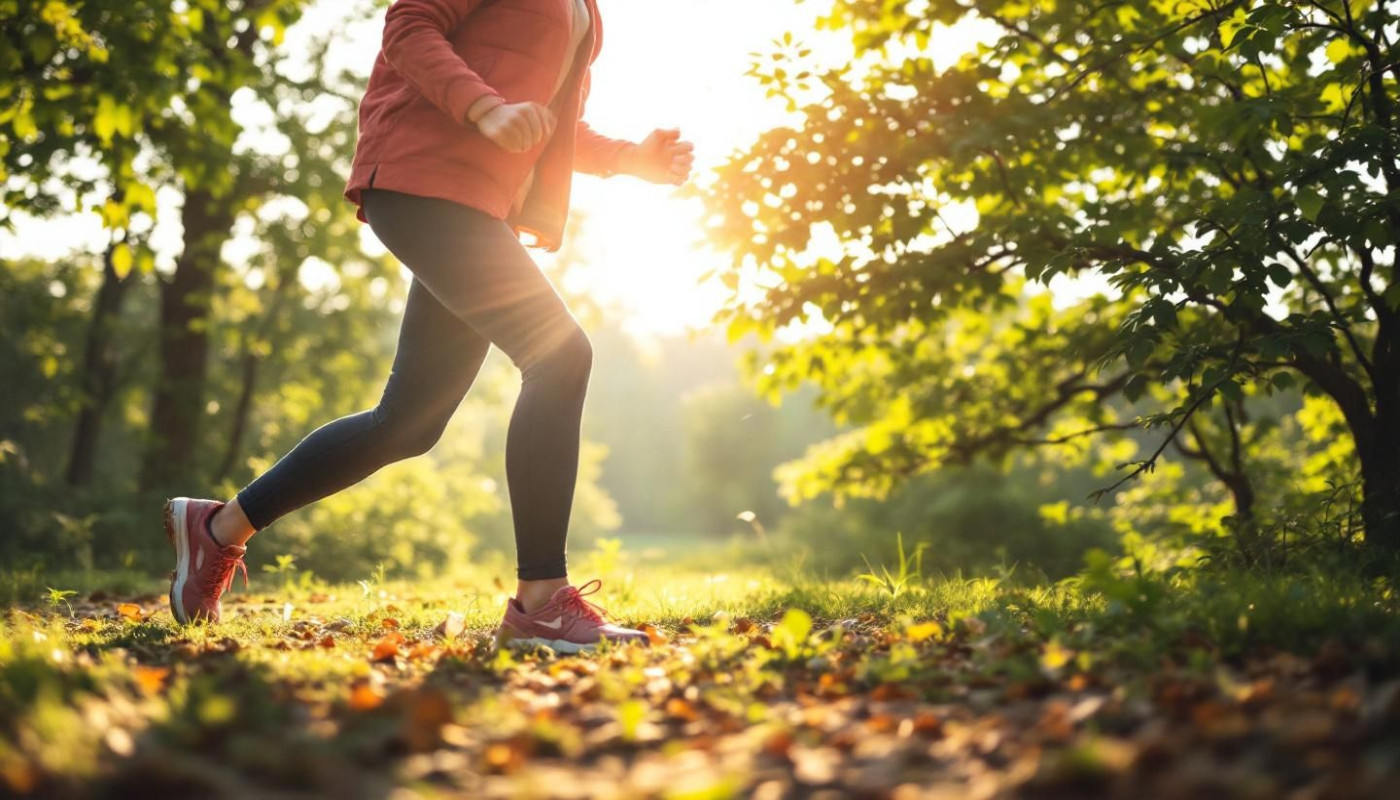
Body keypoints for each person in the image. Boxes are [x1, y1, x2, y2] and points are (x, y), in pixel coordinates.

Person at [162, 0, 694, 653]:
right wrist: (484, 108)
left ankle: (219, 529)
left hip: (477, 205)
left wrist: (629, 158)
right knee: (558, 355)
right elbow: (409, 26)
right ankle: (541, 603)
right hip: (423, 178)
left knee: (408, 422)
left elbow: (547, 124)